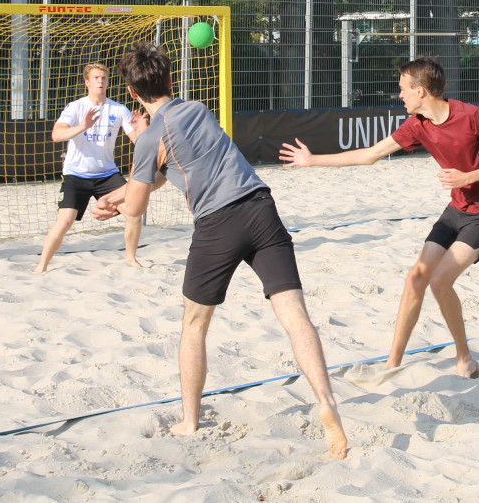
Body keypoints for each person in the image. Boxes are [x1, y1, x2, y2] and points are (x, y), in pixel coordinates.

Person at [91, 42, 347, 459]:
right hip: (261, 207)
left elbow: (140, 202)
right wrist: (121, 192)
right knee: (295, 315)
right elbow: (169, 171)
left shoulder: (148, 137)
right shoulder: (197, 110)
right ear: (171, 80)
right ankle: (326, 402)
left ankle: (190, 422)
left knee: (194, 325)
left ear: (133, 95)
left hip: (217, 224)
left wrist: (120, 197)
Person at [279, 56, 479, 380]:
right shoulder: (417, 125)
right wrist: (312, 160)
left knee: (439, 280)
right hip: (456, 209)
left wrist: (468, 177)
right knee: (416, 278)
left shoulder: (471, 116)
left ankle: (465, 358)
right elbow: (370, 155)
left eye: (403, 89)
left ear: (421, 91)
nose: (400, 95)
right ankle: (392, 364)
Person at [35, 62, 146, 273]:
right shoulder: (76, 107)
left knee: (134, 213)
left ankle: (131, 259)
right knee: (65, 221)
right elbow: (56, 135)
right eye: (96, 78)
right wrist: (83, 126)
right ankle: (42, 265)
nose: (100, 81)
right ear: (87, 82)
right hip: (76, 174)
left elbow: (138, 143)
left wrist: (141, 129)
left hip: (107, 174)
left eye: (104, 78)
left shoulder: (118, 109)